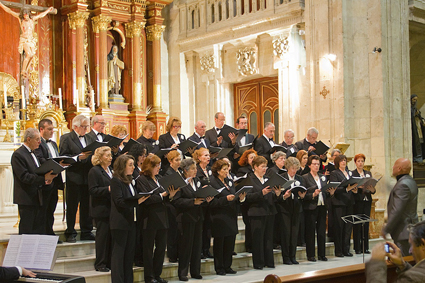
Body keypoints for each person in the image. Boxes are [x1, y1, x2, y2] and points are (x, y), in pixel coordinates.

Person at [137, 154, 177, 283]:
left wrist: (170, 195)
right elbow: (147, 198)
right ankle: (149, 277)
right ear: (149, 166)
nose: (159, 168)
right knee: (148, 249)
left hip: (162, 217)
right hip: (149, 218)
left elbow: (165, 197)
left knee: (160, 248)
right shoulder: (142, 179)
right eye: (156, 166)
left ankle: (157, 274)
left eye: (159, 165)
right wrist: (163, 195)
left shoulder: (159, 178)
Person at [110, 155, 149, 283]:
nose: (133, 167)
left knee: (129, 255)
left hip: (131, 221)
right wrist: (136, 201)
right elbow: (119, 201)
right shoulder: (116, 180)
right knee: (119, 254)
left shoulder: (130, 180)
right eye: (130, 165)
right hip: (120, 222)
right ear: (122, 166)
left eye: (133, 164)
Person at [11, 128, 57, 234]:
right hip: (26, 198)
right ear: (28, 139)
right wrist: (43, 179)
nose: (39, 142)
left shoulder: (34, 153)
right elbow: (24, 177)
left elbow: (38, 171)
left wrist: (47, 178)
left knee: (38, 228)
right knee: (27, 229)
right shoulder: (18, 155)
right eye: (37, 139)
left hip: (38, 197)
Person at [59, 114, 95, 242]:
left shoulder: (90, 137)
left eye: (87, 126)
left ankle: (86, 231)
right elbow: (63, 157)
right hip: (74, 177)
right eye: (83, 126)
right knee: (73, 205)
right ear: (75, 126)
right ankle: (70, 231)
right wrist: (77, 158)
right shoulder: (66, 138)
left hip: (88, 176)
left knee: (87, 206)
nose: (86, 129)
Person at [172, 159, 209, 281]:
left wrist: (205, 200)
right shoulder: (180, 183)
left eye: (195, 168)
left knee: (197, 246)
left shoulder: (197, 181)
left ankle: (195, 271)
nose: (195, 171)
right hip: (185, 218)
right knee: (185, 246)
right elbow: (177, 201)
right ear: (185, 170)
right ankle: (182, 273)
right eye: (193, 169)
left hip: (198, 217)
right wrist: (192, 202)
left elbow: (199, 196)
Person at [209, 159, 246, 275]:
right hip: (219, 217)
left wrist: (240, 199)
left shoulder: (229, 181)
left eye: (227, 168)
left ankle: (227, 266)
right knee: (220, 244)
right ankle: (219, 267)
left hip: (231, 215)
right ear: (218, 171)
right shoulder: (212, 182)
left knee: (230, 243)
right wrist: (225, 199)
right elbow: (211, 203)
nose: (227, 171)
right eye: (224, 169)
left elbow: (233, 196)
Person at [0, 3, 54, 78]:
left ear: (29, 14)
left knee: (32, 56)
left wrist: (48, 10)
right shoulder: (20, 19)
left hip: (31, 40)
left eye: (27, 15)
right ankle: (23, 71)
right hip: (24, 40)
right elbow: (9, 11)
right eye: (24, 16)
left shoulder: (32, 19)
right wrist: (1, 4)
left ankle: (26, 70)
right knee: (29, 54)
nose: (26, 17)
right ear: (23, 15)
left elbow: (41, 15)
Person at [245, 156, 280, 270]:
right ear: (255, 167)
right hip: (257, 212)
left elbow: (272, 196)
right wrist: (262, 193)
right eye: (262, 166)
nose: (265, 169)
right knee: (258, 239)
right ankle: (259, 263)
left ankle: (269, 261)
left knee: (268, 238)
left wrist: (278, 194)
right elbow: (248, 197)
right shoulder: (250, 179)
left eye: (265, 166)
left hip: (269, 211)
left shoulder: (267, 178)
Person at [381, 158, 419, 256]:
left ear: (399, 169)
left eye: (394, 165)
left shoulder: (402, 185)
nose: (392, 167)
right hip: (410, 229)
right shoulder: (411, 181)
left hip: (403, 232)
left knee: (403, 261)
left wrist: (386, 229)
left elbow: (397, 210)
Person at [34, 119, 64, 238]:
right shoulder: (38, 143)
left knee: (51, 208)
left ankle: (50, 232)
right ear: (41, 129)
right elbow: (40, 160)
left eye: (53, 129)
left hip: (55, 180)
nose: (52, 132)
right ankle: (45, 233)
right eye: (49, 129)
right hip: (45, 180)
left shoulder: (53, 143)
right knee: (44, 209)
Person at [302, 155, 334, 262]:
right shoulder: (305, 178)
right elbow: (303, 195)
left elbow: (325, 191)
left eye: (318, 164)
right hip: (311, 207)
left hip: (322, 206)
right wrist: (313, 195)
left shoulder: (323, 177)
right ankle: (311, 255)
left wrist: (331, 193)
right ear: (309, 165)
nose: (316, 166)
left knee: (321, 231)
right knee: (310, 232)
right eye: (314, 164)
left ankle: (322, 254)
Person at [88, 146, 113, 272]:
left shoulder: (110, 170)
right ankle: (100, 263)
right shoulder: (95, 171)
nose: (110, 158)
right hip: (101, 209)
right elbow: (93, 190)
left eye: (110, 155)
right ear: (100, 158)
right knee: (102, 237)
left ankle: (108, 261)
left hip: (111, 209)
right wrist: (108, 189)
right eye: (107, 156)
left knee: (109, 237)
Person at [329, 154, 358, 257]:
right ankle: (339, 250)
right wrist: (346, 189)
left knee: (348, 227)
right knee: (339, 227)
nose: (343, 162)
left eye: (345, 160)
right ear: (337, 162)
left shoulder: (349, 173)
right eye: (341, 161)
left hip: (349, 202)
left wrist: (354, 190)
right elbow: (335, 188)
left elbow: (352, 185)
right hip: (339, 203)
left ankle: (346, 249)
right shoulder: (334, 173)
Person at [279, 157, 306, 264]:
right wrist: (284, 196)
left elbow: (303, 191)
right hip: (285, 208)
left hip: (296, 208)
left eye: (296, 168)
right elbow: (278, 195)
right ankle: (286, 257)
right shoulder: (282, 178)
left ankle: (293, 256)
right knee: (286, 234)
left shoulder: (300, 178)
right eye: (292, 168)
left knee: (294, 234)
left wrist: (302, 196)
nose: (294, 171)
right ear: (287, 167)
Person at [127, 143, 148, 267]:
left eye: (145, 155)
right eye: (142, 155)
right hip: (136, 203)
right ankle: (137, 257)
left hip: (143, 204)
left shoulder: (142, 168)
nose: (144, 158)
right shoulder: (133, 169)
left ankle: (141, 257)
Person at [351, 153, 375, 254]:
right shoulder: (353, 174)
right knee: (357, 224)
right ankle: (357, 248)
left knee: (365, 224)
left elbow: (373, 189)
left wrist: (372, 189)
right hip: (357, 200)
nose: (360, 163)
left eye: (362, 161)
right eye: (359, 161)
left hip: (367, 200)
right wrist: (359, 187)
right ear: (355, 163)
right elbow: (351, 186)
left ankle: (365, 247)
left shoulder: (368, 173)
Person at [192, 148, 213, 258]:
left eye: (208, 155)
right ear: (199, 158)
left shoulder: (209, 169)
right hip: (200, 203)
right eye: (205, 155)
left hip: (209, 202)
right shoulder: (196, 170)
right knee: (201, 227)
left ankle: (206, 249)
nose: (208, 157)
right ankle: (199, 250)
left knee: (208, 227)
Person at [164, 150, 183, 263]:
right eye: (176, 160)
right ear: (170, 161)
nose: (179, 162)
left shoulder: (179, 172)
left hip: (178, 204)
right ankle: (172, 255)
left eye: (180, 159)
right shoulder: (168, 174)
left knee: (178, 231)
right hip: (170, 205)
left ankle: (177, 252)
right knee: (172, 231)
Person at [411, 94, 425, 163]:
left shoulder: (416, 109)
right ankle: (416, 156)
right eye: (414, 99)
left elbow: (420, 117)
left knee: (420, 142)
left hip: (418, 127)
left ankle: (420, 156)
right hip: (414, 129)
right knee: (415, 143)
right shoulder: (410, 109)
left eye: (416, 100)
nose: (415, 101)